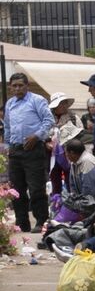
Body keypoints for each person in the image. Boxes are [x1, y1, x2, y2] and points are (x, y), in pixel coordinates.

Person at [4, 73, 54, 232]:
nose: (17, 88)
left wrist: (37, 136)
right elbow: (7, 127)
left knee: (36, 187)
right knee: (16, 189)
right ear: (10, 87)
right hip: (15, 150)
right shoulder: (9, 104)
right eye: (15, 86)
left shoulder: (37, 100)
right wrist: (8, 146)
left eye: (20, 85)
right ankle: (22, 223)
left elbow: (49, 121)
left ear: (27, 86)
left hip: (34, 148)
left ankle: (41, 221)